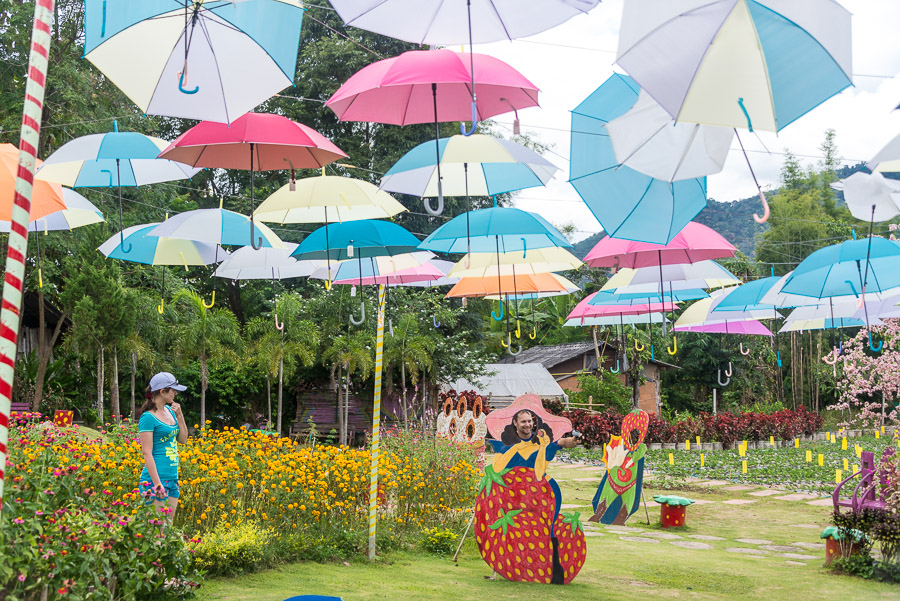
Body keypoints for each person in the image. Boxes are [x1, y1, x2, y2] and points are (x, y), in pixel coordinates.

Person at [138, 372, 188, 524]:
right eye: (173, 390)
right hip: (155, 480)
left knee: (167, 529)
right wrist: (157, 484)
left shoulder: (170, 412)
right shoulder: (148, 417)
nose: (175, 393)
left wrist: (180, 416)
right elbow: (147, 453)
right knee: (155, 531)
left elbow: (183, 439)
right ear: (162, 392)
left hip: (172, 478)